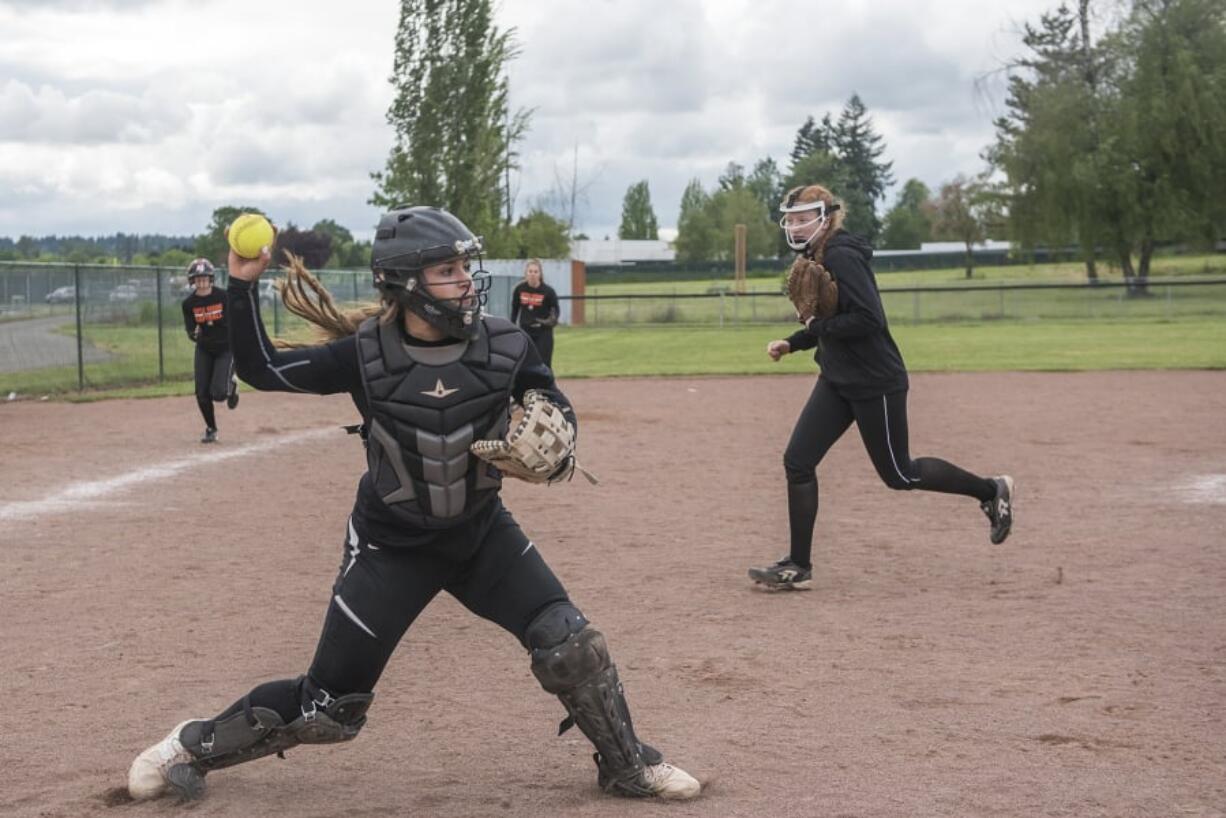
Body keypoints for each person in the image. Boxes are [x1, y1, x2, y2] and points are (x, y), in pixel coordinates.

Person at [128, 207, 701, 803]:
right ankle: (189, 745)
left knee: (571, 645)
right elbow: (263, 368)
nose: (465, 280)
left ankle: (628, 765)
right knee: (329, 709)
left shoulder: (504, 342)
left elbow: (548, 396)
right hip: (391, 548)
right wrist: (241, 282)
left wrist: (560, 438)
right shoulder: (365, 354)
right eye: (448, 269)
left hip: (482, 538)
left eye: (464, 266)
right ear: (406, 282)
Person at [748, 185, 1015, 591]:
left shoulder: (840, 255)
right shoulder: (816, 256)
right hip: (837, 379)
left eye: (803, 217)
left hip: (876, 383)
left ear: (826, 216)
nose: (795, 225)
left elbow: (868, 319)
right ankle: (798, 564)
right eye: (791, 217)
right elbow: (829, 319)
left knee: (900, 475)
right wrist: (794, 342)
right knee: (798, 462)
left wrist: (814, 328)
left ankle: (991, 490)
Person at [180, 258, 238, 443]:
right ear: (192, 281)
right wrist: (194, 334)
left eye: (205, 278)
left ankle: (231, 387)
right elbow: (190, 330)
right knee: (202, 393)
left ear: (211, 279)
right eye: (197, 279)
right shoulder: (189, 304)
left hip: (225, 348)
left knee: (219, 394)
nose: (201, 282)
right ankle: (211, 429)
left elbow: (235, 319)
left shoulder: (223, 297)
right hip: (204, 349)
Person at [509, 258, 560, 368]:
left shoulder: (548, 291)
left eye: (536, 271)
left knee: (544, 364)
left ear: (540, 274)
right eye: (530, 271)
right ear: (526, 273)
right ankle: (526, 385)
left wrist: (551, 320)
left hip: (543, 332)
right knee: (526, 363)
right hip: (526, 331)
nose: (532, 274)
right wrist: (512, 328)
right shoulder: (519, 289)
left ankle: (545, 385)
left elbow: (556, 312)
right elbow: (514, 310)